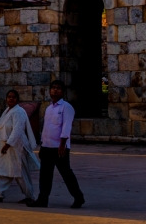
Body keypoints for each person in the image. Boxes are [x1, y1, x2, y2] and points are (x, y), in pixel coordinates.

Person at [29, 80, 84, 209]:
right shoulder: (48, 108)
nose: (55, 90)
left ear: (63, 91)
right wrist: (42, 145)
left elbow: (66, 127)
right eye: (53, 88)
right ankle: (42, 199)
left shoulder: (66, 107)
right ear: (49, 90)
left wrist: (62, 145)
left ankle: (78, 197)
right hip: (47, 146)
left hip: (59, 147)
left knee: (66, 174)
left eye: (58, 88)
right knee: (45, 175)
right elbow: (46, 128)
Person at [0, 88, 38, 203]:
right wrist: (4, 145)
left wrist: (8, 145)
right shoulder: (8, 111)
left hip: (16, 146)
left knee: (20, 172)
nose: (11, 99)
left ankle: (29, 196)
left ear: (17, 100)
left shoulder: (18, 112)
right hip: (4, 144)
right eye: (9, 96)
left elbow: (17, 130)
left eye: (13, 97)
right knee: (2, 169)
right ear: (6, 99)